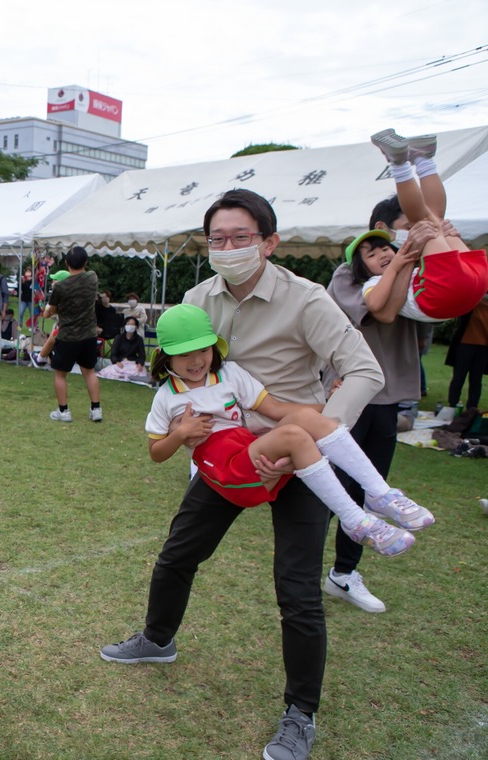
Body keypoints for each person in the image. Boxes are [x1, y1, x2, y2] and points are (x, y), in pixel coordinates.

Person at [99, 189, 385, 760]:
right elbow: (185, 374)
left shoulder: (306, 300)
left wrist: (316, 432)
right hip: (226, 451)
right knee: (179, 553)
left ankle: (300, 714)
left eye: (241, 237)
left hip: (294, 451)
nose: (227, 248)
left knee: (297, 588)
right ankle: (157, 639)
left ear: (269, 242)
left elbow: (363, 370)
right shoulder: (198, 297)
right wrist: (186, 437)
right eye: (218, 239)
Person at [145, 304, 420, 555]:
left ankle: (380, 493)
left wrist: (332, 404)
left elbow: (275, 409)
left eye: (203, 350)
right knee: (294, 435)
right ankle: (354, 520)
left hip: (249, 452)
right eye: (184, 355)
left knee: (304, 420)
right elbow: (156, 453)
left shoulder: (229, 373)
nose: (196, 361)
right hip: (223, 469)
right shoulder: (167, 397)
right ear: (165, 357)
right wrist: (180, 434)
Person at [323, 214, 438, 614]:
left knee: (370, 489)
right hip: (349, 395)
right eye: (373, 251)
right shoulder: (345, 277)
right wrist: (404, 259)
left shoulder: (406, 271)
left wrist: (414, 258)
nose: (384, 254)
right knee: (328, 488)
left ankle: (343, 573)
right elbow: (380, 310)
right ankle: (304, 570)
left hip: (387, 398)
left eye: (387, 247)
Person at [366, 129, 488, 321]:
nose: (381, 256)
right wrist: (398, 264)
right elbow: (375, 305)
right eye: (371, 255)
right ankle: (405, 161)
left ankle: (422, 159)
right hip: (454, 288)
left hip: (468, 283)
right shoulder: (372, 282)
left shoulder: (418, 264)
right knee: (427, 222)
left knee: (435, 221)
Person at [42, 246, 102, 423]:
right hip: (89, 334)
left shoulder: (60, 287)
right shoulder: (92, 278)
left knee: (60, 375)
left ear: (66, 263)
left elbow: (50, 311)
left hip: (67, 336)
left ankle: (64, 411)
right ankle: (96, 409)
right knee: (89, 372)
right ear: (85, 262)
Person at [446, 296, 488, 411]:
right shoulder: (471, 303)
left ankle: (472, 407)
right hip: (466, 344)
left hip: (481, 347)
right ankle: (453, 404)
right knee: (460, 377)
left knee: (475, 379)